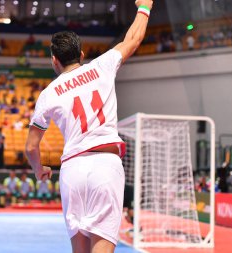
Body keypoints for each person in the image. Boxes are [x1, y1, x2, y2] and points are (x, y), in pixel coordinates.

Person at [25, 1, 153, 252]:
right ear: (81, 55)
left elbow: (31, 147)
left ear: (54, 61)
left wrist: (39, 170)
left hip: (71, 170)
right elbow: (133, 39)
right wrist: (145, 7)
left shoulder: (48, 94)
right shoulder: (101, 66)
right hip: (105, 165)